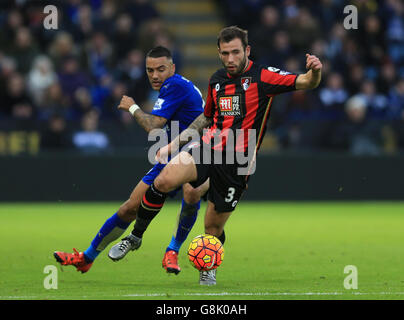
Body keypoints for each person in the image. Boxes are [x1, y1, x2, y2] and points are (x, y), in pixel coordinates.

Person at [130, 26, 322, 285]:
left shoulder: (264, 77)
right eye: (225, 53)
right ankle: (136, 235)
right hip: (209, 149)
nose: (230, 59)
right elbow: (206, 118)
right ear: (219, 53)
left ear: (247, 51)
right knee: (164, 180)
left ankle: (208, 268)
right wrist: (173, 144)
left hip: (237, 162)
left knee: (213, 226)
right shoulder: (217, 79)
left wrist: (316, 70)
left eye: (235, 52)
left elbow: (307, 82)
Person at [54, 46, 208, 275]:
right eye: (149, 70)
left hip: (199, 153)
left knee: (191, 194)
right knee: (130, 208)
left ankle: (172, 250)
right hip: (173, 154)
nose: (154, 75)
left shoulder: (173, 85)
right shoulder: (174, 85)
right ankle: (87, 257)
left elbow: (152, 125)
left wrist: (132, 107)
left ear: (172, 68)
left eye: (160, 69)